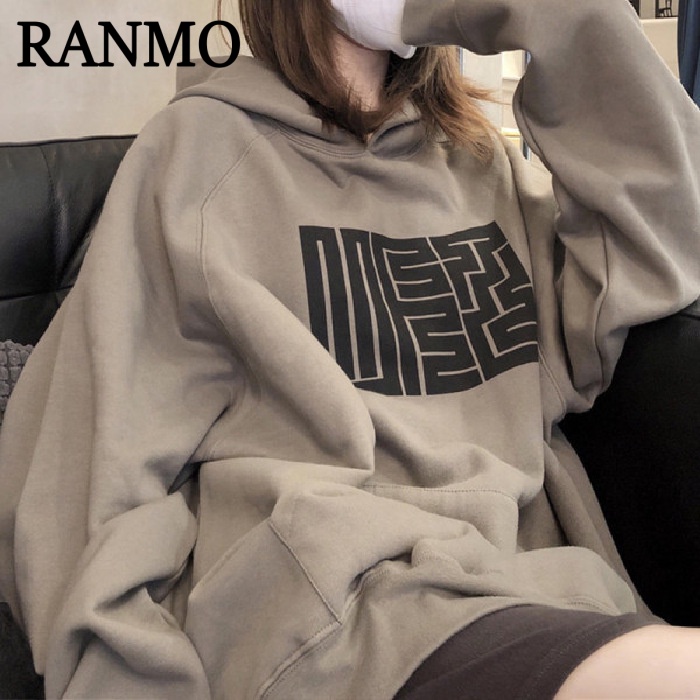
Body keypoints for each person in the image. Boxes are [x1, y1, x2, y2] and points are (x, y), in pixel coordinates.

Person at [0, 0, 699, 697]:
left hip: (543, 590)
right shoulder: (196, 153)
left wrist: (568, 16)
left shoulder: (476, 158)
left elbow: (662, 257)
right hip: (334, 616)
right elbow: (86, 479)